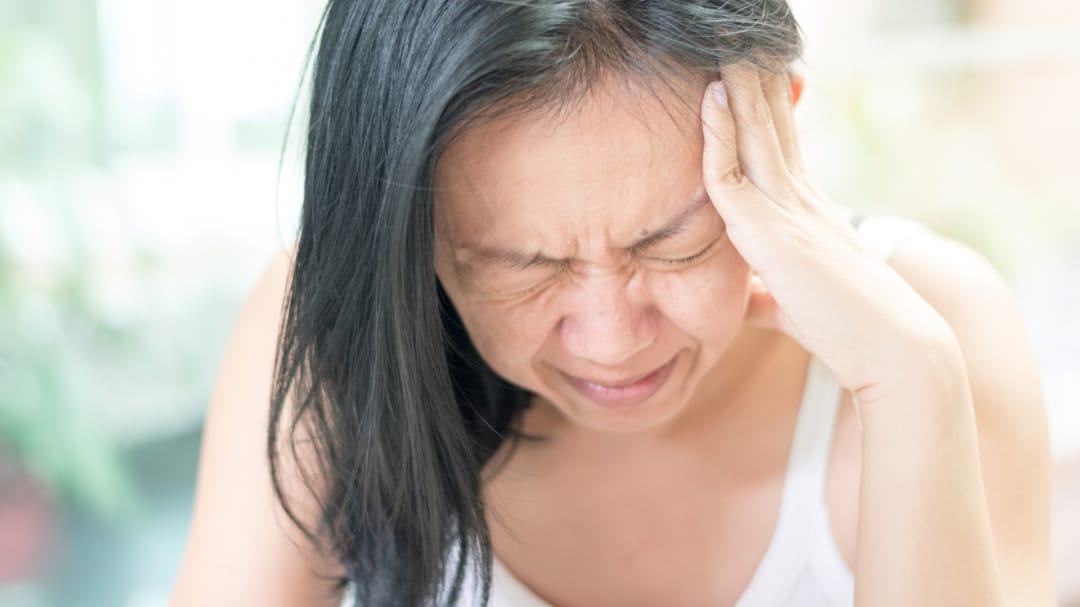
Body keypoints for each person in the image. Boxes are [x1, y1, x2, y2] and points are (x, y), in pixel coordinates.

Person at [171, 0, 1055, 605]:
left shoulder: (929, 329)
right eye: (522, 265)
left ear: (780, 127)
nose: (612, 339)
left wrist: (908, 380)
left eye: (672, 241)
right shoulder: (331, 333)